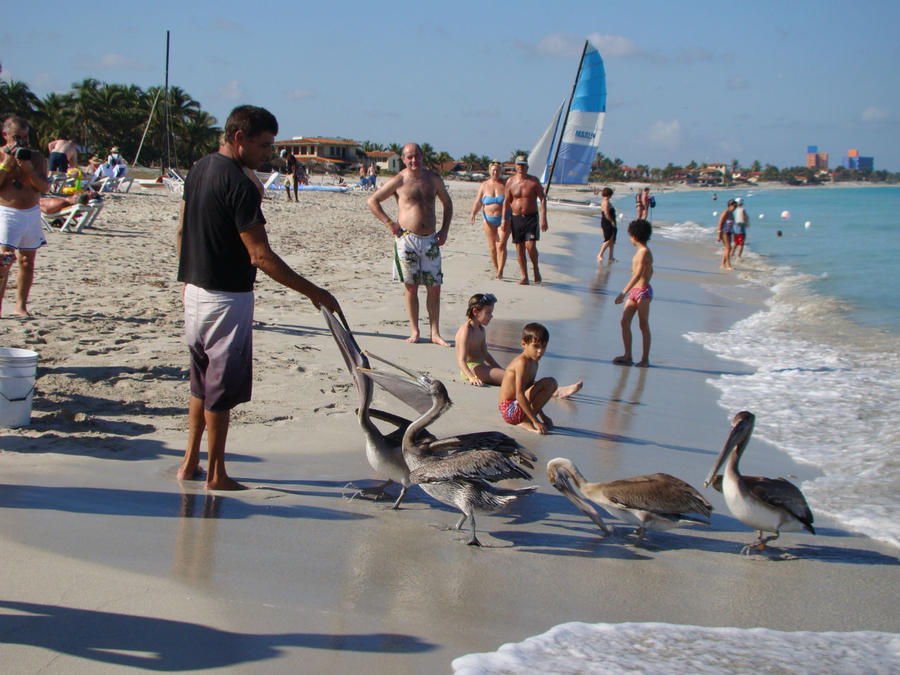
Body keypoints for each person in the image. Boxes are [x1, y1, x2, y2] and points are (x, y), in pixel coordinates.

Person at [175, 104, 340, 490]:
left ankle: (188, 463)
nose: (268, 154)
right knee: (219, 389)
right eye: (263, 146)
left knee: (200, 382)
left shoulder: (199, 169)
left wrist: (188, 275)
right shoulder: (238, 183)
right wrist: (314, 292)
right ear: (239, 139)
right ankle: (217, 473)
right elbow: (260, 254)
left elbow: (182, 229)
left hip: (194, 290)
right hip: (225, 298)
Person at [367, 142, 452, 346]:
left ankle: (435, 333)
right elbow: (372, 201)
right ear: (404, 160)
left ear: (422, 157)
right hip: (407, 239)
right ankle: (415, 331)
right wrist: (389, 224)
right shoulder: (399, 180)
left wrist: (444, 230)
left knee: (435, 287)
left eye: (417, 156)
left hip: (430, 239)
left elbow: (447, 204)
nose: (414, 160)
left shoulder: (433, 179)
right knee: (411, 287)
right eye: (409, 157)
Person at [457, 292, 583, 397]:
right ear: (475, 311)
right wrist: (472, 378)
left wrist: (501, 369)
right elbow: (461, 361)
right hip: (472, 369)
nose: (491, 316)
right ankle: (556, 391)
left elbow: (485, 354)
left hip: (481, 366)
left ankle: (550, 390)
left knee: (514, 376)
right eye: (488, 312)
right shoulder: (466, 330)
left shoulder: (481, 329)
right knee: (513, 379)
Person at [0, 115, 49, 318]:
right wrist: (6, 165)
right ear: (5, 135)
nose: (21, 142)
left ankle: (21, 305)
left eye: (25, 138)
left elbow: (44, 187)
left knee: (27, 261)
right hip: (7, 211)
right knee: (4, 261)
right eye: (17, 137)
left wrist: (29, 170)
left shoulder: (35, 158)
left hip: (30, 212)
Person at [498, 323, 558, 434]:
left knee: (551, 383)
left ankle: (528, 418)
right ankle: (526, 421)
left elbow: (531, 392)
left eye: (543, 347)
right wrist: (534, 421)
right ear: (524, 344)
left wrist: (543, 416)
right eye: (536, 346)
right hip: (510, 410)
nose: (540, 351)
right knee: (548, 383)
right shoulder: (522, 362)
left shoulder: (534, 363)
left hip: (518, 407)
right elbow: (519, 394)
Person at [613, 219, 654, 367]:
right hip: (635, 291)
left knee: (643, 324)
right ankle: (628, 355)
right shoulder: (640, 252)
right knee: (625, 321)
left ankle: (645, 359)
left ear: (634, 237)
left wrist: (623, 293)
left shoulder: (644, 253)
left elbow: (637, 275)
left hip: (643, 292)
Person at [501, 155, 547, 285]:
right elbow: (506, 201)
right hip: (516, 218)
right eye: (519, 165)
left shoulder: (533, 181)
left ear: (527, 167)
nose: (521, 167)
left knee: (530, 245)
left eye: (523, 165)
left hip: (531, 217)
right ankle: (525, 276)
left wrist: (544, 218)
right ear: (515, 166)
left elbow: (542, 199)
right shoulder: (510, 182)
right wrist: (504, 220)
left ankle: (535, 268)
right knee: (519, 247)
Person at [468, 160, 510, 278]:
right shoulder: (484, 185)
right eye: (493, 170)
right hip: (488, 220)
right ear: (489, 171)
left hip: (504, 218)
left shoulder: (506, 184)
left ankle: (500, 271)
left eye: (497, 170)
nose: (495, 172)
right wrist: (473, 214)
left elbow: (513, 200)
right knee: (492, 247)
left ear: (501, 171)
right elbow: (478, 202)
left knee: (500, 245)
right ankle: (497, 269)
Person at [596, 187, 617, 263]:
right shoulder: (606, 202)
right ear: (609, 194)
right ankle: (600, 254)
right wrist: (612, 222)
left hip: (609, 221)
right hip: (607, 222)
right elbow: (606, 214)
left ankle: (611, 256)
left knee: (612, 239)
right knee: (608, 239)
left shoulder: (606, 201)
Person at [717, 200, 736, 270]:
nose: (735, 208)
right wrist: (719, 235)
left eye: (736, 206)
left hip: (729, 232)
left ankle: (722, 264)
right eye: (734, 206)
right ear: (730, 206)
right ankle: (728, 265)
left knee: (727, 248)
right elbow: (720, 224)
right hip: (724, 232)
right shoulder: (725, 213)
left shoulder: (731, 213)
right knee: (728, 248)